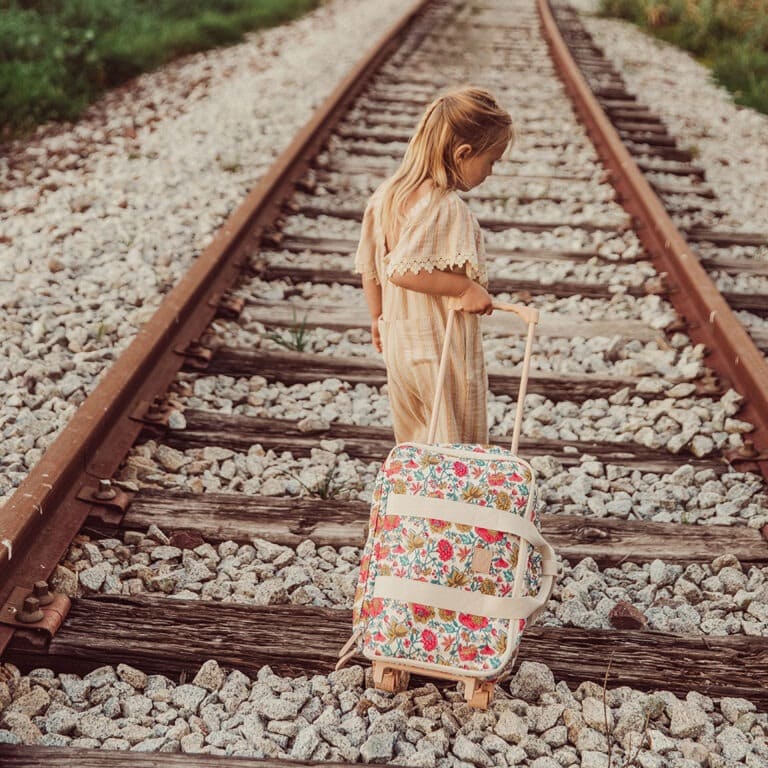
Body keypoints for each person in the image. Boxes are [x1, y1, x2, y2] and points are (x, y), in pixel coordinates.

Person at [354, 86, 513, 444]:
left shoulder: (386, 196)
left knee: (413, 437)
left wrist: (376, 317)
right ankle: (454, 500)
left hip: (399, 340)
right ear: (463, 153)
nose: (491, 172)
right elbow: (403, 269)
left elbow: (372, 268)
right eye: (491, 161)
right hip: (439, 346)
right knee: (451, 436)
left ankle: (416, 498)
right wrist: (466, 287)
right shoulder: (443, 206)